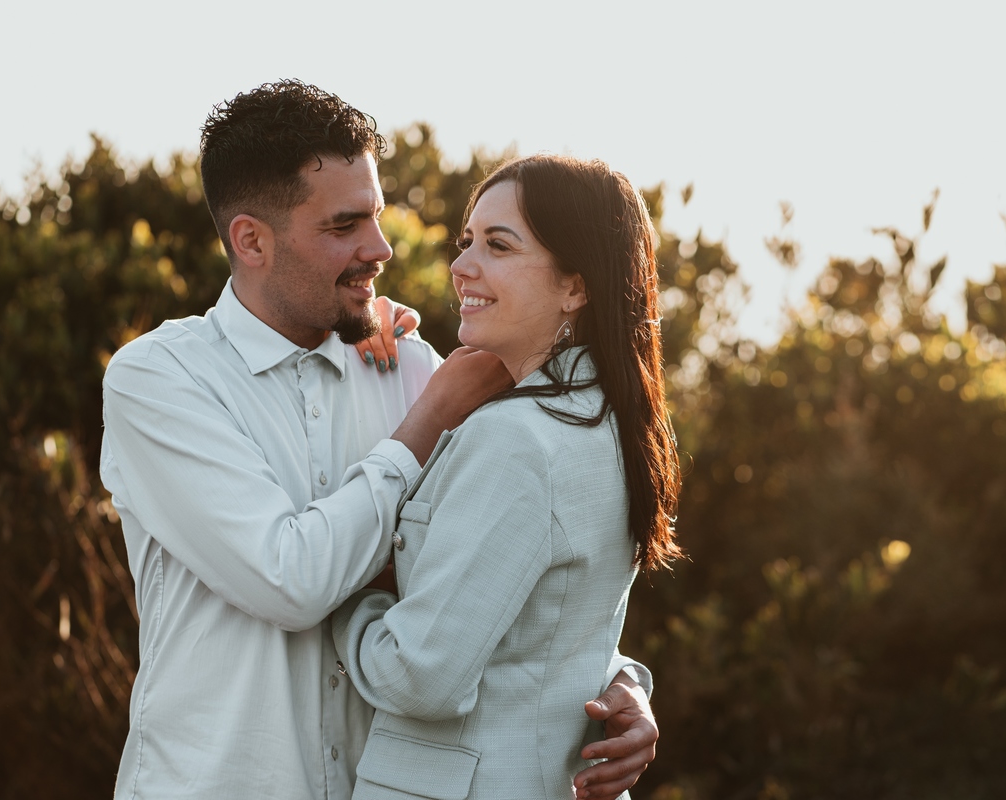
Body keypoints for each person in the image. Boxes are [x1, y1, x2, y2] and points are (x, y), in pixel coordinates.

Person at [99, 80, 658, 800]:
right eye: (343, 226)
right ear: (251, 240)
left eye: (377, 217)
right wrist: (423, 423)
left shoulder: (415, 368)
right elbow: (290, 578)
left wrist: (614, 680)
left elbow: (494, 577)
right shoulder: (162, 380)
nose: (381, 248)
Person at [332, 154, 682, 800]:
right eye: (467, 243)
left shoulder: (517, 440)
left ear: (575, 286)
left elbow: (422, 674)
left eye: (498, 245)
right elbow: (553, 625)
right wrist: (626, 677)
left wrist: (346, 590)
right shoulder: (611, 421)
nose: (463, 266)